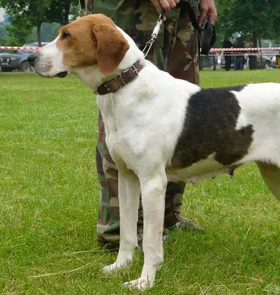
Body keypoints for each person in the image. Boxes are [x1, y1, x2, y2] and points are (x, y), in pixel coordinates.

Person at [79, 0, 217, 249]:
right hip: (129, 7)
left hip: (181, 9)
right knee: (126, 109)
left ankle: (166, 216)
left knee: (180, 110)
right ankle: (119, 230)